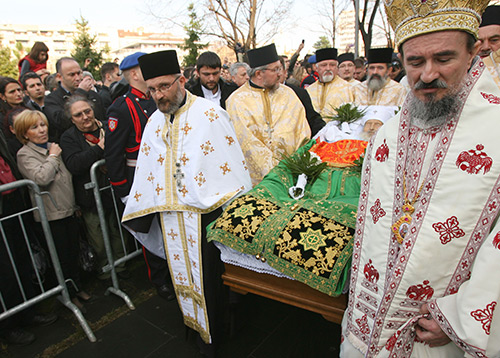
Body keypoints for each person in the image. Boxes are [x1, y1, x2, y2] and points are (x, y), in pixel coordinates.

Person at [341, 0, 500, 356]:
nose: (427, 74)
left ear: (474, 51)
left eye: (444, 59)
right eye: (415, 62)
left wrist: (459, 317)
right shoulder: (387, 135)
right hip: (369, 327)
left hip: (439, 334)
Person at [121, 50, 252, 355]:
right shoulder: (154, 121)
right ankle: (193, 328)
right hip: (171, 216)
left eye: (164, 86)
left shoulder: (209, 113)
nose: (158, 95)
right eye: (152, 89)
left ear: (181, 81)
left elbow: (230, 164)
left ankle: (214, 336)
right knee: (181, 274)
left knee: (209, 280)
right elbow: (150, 168)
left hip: (205, 214)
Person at [104, 52, 170, 299]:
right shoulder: (121, 107)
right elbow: (113, 155)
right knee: (150, 229)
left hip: (163, 174)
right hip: (138, 178)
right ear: (134, 74)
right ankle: (160, 278)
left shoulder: (157, 99)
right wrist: (123, 190)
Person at [14, 110, 92, 311]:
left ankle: (77, 286)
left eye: (43, 125)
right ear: (25, 134)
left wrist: (74, 206)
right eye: (34, 127)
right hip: (50, 215)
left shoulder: (52, 147)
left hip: (67, 210)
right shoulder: (25, 154)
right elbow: (41, 178)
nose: (41, 130)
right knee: (61, 257)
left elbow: (66, 181)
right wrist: (52, 157)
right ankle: (68, 294)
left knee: (73, 252)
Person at [59, 96, 127, 280]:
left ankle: (121, 267)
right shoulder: (69, 138)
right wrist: (100, 150)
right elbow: (74, 164)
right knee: (97, 236)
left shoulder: (108, 126)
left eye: (87, 111)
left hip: (114, 191)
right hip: (89, 196)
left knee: (117, 230)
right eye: (78, 115)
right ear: (72, 119)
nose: (85, 117)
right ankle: (106, 272)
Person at [226, 43, 311, 186]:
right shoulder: (236, 101)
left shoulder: (289, 94)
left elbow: (302, 132)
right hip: (257, 183)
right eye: (276, 69)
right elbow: (247, 144)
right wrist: (277, 174)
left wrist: (299, 167)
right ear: (259, 73)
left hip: (295, 176)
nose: (280, 73)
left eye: (280, 68)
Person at [44, 57, 106, 143]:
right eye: (72, 75)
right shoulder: (51, 99)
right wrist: (80, 93)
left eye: (79, 73)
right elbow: (61, 122)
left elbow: (102, 118)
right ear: (59, 77)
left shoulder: (93, 95)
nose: (77, 78)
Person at [306, 47, 354, 120]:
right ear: (316, 68)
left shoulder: (347, 88)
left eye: (332, 65)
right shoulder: (309, 90)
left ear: (337, 67)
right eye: (324, 65)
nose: (328, 68)